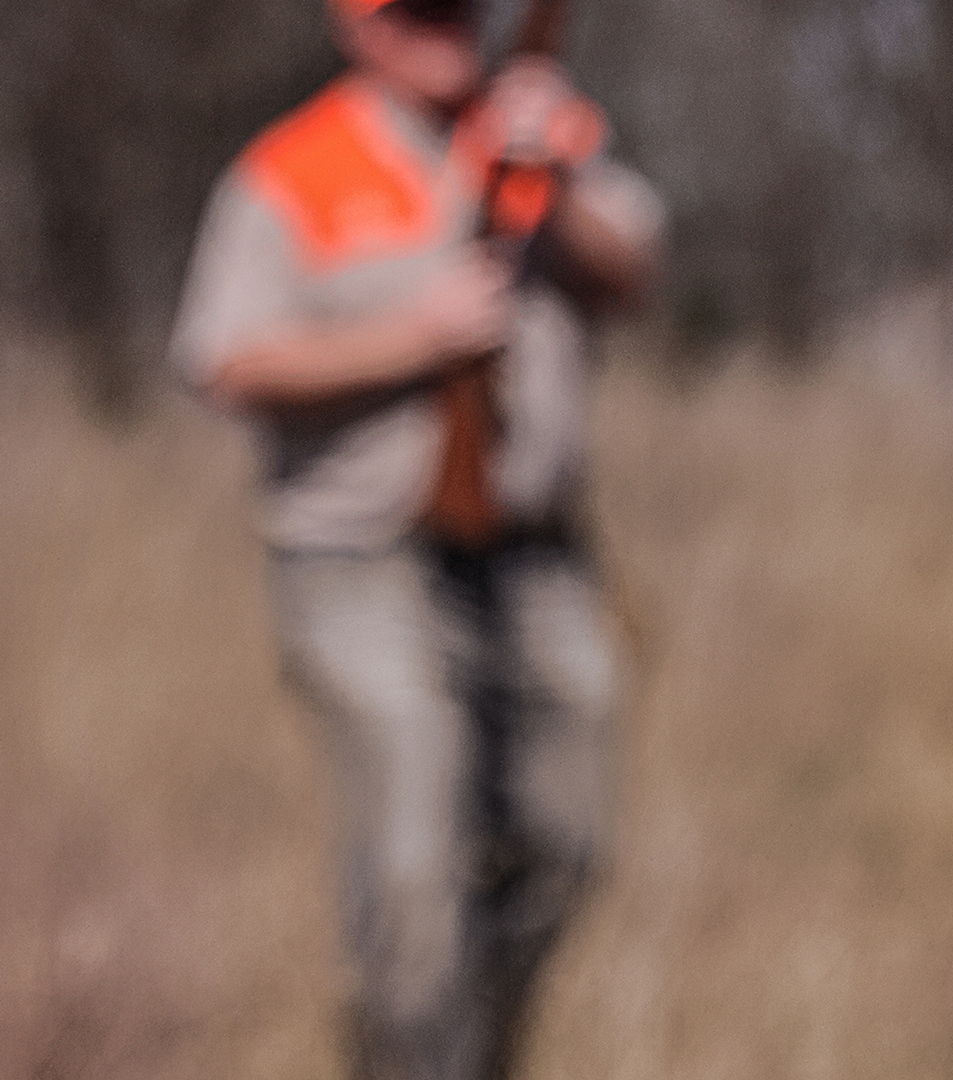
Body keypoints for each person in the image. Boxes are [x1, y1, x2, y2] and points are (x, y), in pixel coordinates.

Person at [169, 0, 664, 1075]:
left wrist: (558, 180)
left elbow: (636, 273)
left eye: (455, 6)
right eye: (411, 12)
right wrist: (414, 338)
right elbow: (223, 359)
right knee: (412, 858)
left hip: (534, 555)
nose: (441, 27)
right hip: (356, 556)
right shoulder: (292, 170)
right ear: (356, 26)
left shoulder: (543, 129)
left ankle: (469, 1055)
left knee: (566, 843)